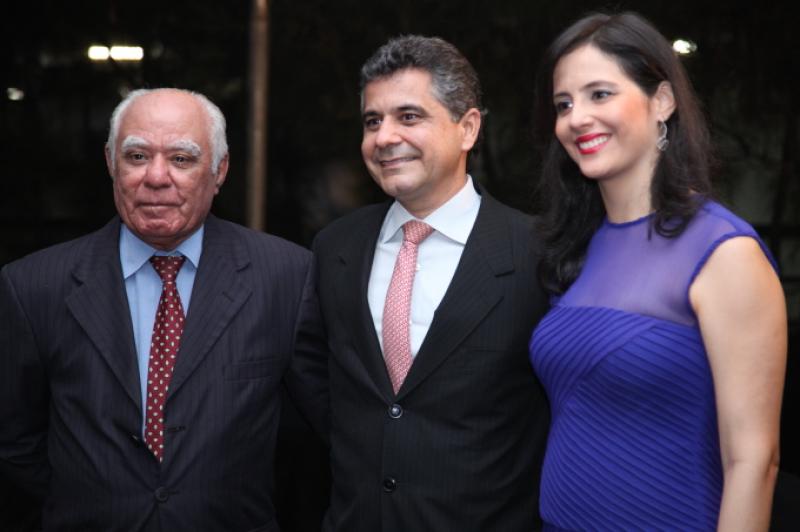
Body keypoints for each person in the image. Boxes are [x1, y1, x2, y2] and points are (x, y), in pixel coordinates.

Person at [0, 88, 328, 531]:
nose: (156, 177)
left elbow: (318, 438)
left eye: (181, 158)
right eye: (137, 156)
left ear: (219, 170)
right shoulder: (33, 286)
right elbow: (15, 442)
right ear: (111, 163)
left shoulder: (286, 277)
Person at [529, 12, 787, 531]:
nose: (577, 118)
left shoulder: (724, 252)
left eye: (600, 94)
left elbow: (753, 462)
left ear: (663, 101)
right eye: (564, 104)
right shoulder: (575, 248)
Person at [312, 35, 550, 531]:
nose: (384, 137)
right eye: (372, 121)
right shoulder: (335, 249)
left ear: (468, 128)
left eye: (408, 116)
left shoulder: (538, 256)